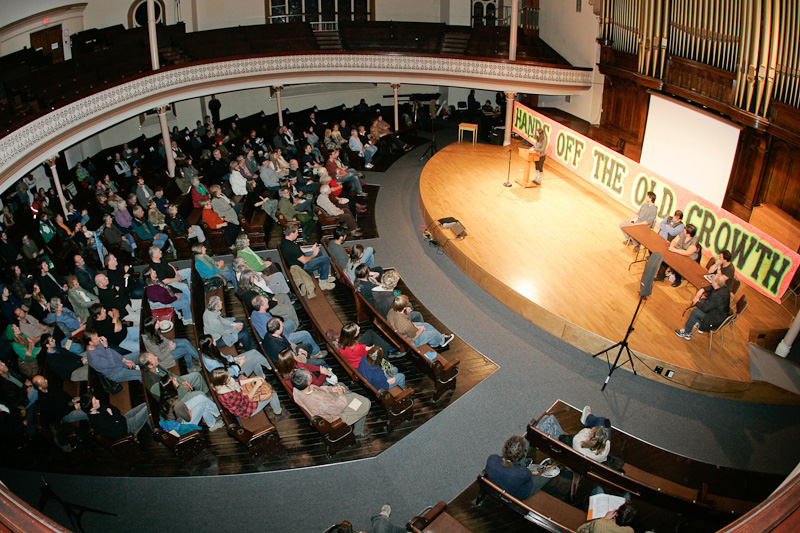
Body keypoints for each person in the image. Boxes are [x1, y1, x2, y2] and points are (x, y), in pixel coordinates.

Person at [291, 367, 371, 438]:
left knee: (340, 385)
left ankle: (351, 397)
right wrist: (341, 395)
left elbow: (316, 389)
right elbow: (337, 409)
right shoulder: (318, 403)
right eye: (310, 374)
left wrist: (331, 389)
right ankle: (357, 432)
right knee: (364, 403)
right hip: (335, 416)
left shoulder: (297, 389)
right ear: (308, 382)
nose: (312, 374)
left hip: (329, 402)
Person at [485, 435, 549, 500]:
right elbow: (529, 477)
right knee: (547, 475)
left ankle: (527, 465)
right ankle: (546, 471)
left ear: (504, 448)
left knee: (526, 442)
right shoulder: (524, 472)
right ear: (520, 456)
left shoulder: (491, 460)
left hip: (499, 485)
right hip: (519, 494)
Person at [210, 367, 285, 422]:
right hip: (245, 410)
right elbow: (246, 400)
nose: (230, 374)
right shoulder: (227, 395)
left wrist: (253, 379)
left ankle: (270, 404)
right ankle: (279, 414)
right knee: (272, 393)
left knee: (265, 389)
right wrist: (256, 385)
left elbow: (237, 382)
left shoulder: (220, 385)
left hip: (241, 398)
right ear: (224, 381)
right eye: (228, 375)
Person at [158, 374, 223, 433]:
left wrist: (186, 410)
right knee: (202, 405)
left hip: (177, 417)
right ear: (171, 386)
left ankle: (219, 413)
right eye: (173, 380)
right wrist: (188, 411)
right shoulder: (177, 404)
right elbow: (188, 418)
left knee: (201, 398)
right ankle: (216, 420)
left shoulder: (164, 398)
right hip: (182, 426)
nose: (175, 378)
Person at [279, 224, 335, 289]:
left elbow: (299, 249)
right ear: (292, 233)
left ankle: (323, 276)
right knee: (326, 259)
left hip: (298, 260)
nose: (297, 235)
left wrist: (312, 249)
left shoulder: (285, 241)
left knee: (319, 252)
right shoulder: (291, 247)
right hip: (301, 266)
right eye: (297, 233)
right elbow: (304, 260)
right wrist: (313, 254)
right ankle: (323, 283)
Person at [387, 295, 454, 349]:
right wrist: (421, 329)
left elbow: (407, 325)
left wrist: (417, 326)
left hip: (400, 332)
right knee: (434, 334)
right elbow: (414, 337)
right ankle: (440, 342)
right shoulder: (406, 324)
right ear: (404, 307)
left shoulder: (391, 311)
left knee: (426, 325)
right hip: (410, 341)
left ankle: (440, 338)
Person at [675, 275, 731, 340]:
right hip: (721, 315)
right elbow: (712, 287)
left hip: (714, 320)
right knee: (702, 301)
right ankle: (698, 322)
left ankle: (687, 333)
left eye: (712, 279)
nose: (711, 281)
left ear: (716, 283)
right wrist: (703, 289)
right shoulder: (725, 288)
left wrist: (696, 302)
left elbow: (705, 309)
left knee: (695, 312)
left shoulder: (716, 296)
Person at [80, 393, 151, 440]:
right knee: (148, 408)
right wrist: (113, 415)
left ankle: (151, 426)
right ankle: (153, 427)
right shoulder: (97, 421)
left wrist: (113, 415)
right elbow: (118, 427)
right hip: (127, 429)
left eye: (96, 399)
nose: (98, 401)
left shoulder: (99, 408)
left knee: (145, 404)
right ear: (91, 409)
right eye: (95, 402)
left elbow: (115, 409)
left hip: (123, 420)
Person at [199, 334, 271, 379]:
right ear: (210, 345)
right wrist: (240, 365)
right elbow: (227, 374)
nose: (214, 340)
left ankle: (267, 369)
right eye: (213, 340)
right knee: (255, 360)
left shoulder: (208, 351)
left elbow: (223, 357)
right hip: (233, 376)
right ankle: (269, 371)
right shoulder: (212, 362)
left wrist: (235, 359)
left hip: (230, 365)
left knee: (254, 352)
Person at [261, 317, 327, 365]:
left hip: (291, 353)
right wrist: (302, 356)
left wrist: (296, 348)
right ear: (277, 330)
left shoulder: (270, 334)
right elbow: (294, 361)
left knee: (308, 346)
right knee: (321, 362)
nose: (283, 326)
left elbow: (287, 342)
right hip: (291, 364)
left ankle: (309, 359)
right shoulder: (280, 349)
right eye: (282, 325)